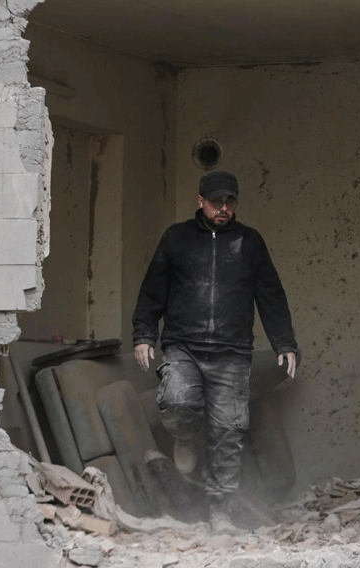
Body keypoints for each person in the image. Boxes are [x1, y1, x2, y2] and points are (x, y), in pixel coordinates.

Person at [132, 169, 298, 533]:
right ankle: (185, 435)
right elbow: (152, 290)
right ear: (200, 201)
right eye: (216, 202)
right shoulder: (176, 238)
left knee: (227, 432)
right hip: (184, 346)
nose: (223, 208)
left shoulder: (250, 242)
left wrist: (284, 342)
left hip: (232, 352)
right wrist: (144, 334)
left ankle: (220, 512)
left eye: (229, 202)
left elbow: (271, 294)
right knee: (176, 399)